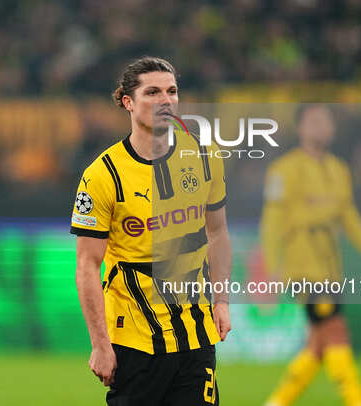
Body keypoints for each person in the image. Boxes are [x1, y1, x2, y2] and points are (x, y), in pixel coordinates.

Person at [71, 56, 232, 406]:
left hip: (196, 336)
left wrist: (221, 300)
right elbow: (87, 265)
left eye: (172, 91)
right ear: (128, 102)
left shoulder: (206, 156)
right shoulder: (103, 175)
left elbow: (217, 233)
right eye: (153, 92)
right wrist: (100, 344)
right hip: (136, 344)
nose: (166, 100)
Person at [261, 104, 361, 406]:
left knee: (318, 345)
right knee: (336, 331)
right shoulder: (283, 170)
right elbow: (272, 223)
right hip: (302, 267)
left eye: (326, 121)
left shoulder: (340, 170)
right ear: (301, 128)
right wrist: (271, 268)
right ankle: (357, 401)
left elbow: (349, 217)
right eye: (314, 121)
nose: (321, 126)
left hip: (331, 267)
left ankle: (278, 401)